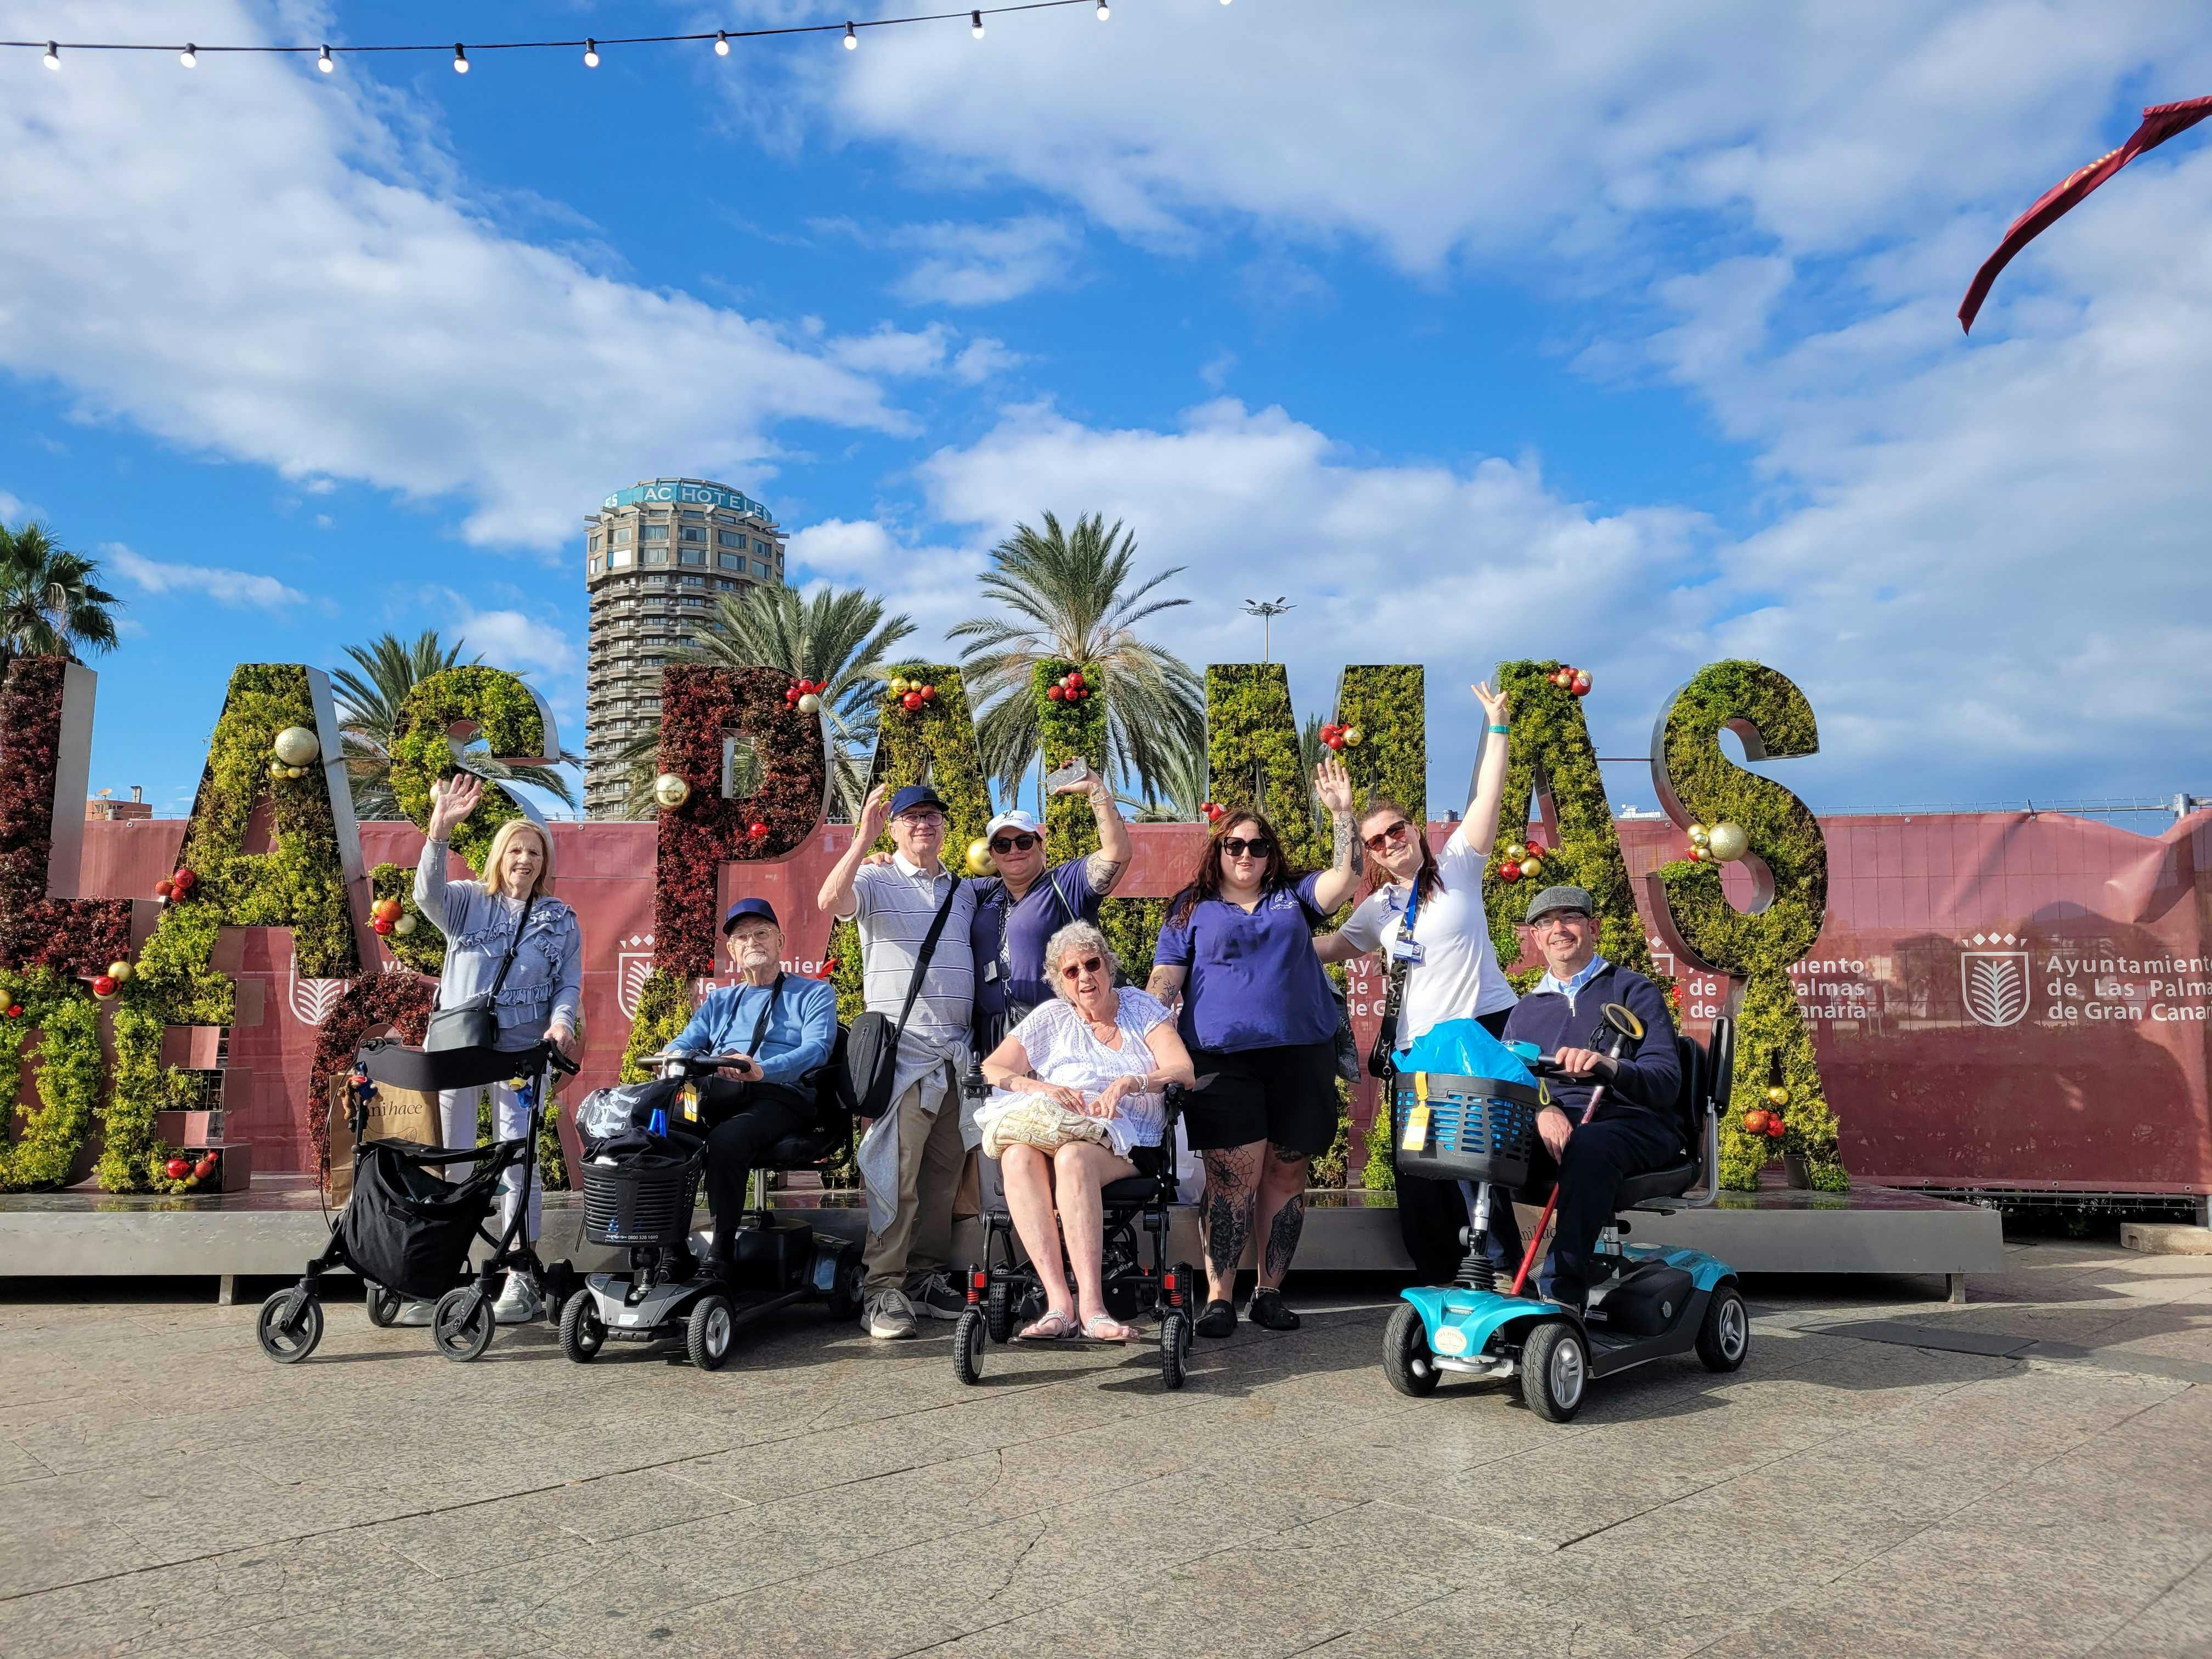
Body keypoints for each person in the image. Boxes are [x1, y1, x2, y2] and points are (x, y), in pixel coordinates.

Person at [1144, 758, 1363, 1338]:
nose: (1246, 855)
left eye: (1258, 846)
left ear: (1272, 854)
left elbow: (1345, 883)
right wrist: (1142, 1034)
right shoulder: (1190, 908)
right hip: (1221, 1061)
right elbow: (1165, 980)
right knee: (1231, 1177)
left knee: (1287, 1175)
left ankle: (1269, 1293)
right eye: (1235, 845)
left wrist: (1343, 816)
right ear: (1217, 850)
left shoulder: (1294, 896)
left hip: (1301, 1056)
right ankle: (1219, 1297)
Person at [1316, 680, 1517, 1280]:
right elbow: (1324, 948)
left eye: (1395, 830)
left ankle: (1505, 1270)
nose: (1388, 843)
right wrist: (1250, 934)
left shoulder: (1458, 866)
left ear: (1414, 828)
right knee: (1419, 1166)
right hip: (1415, 1052)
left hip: (1478, 1033)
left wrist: (1498, 726)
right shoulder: (1377, 907)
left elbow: (1488, 794)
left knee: (1481, 1160)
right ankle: (1438, 1278)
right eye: (1376, 841)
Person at [409, 775, 583, 1325]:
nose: (525, 860)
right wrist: (439, 831)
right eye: (516, 850)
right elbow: (424, 896)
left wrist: (559, 1025)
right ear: (498, 856)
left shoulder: (560, 919)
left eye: (535, 852)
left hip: (521, 1054)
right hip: (461, 1048)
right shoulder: (464, 902)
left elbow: (568, 985)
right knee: (454, 1161)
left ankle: (518, 1275)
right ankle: (446, 1274)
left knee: (519, 1161)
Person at [977, 921, 1195, 1341]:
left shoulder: (1140, 1008)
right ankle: (1060, 1304)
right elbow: (993, 1067)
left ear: (1108, 965)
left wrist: (1133, 1082)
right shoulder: (1052, 1018)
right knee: (1017, 1155)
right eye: (1071, 971)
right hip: (1058, 1133)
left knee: (1073, 1157)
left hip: (1131, 1138)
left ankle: (1094, 1309)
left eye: (1092, 964)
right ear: (1060, 982)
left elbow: (1183, 1069)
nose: (1084, 977)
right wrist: (1036, 1085)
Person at [819, 781, 979, 1340]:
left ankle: (926, 1279)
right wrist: (862, 839)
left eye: (932, 817)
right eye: (910, 818)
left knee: (942, 1180)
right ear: (894, 827)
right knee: (896, 1179)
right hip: (906, 1057)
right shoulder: (874, 877)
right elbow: (829, 902)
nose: (922, 826)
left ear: (944, 827)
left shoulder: (964, 890)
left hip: (957, 1059)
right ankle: (882, 1288)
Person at [1489, 885, 1683, 1311]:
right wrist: (1545, 1109)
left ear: (1592, 927)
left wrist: (1606, 1066)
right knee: (1477, 1138)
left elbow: (1665, 1081)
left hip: (1631, 1122)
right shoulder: (1524, 1010)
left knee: (1588, 1144)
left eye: (1570, 918)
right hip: (1557, 1123)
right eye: (1545, 923)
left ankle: (1562, 1292)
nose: (1558, 929)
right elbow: (1514, 1081)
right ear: (1536, 938)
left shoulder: (1633, 990)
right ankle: (1502, 1272)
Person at [662, 898, 839, 1279]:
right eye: (742, 937)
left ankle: (722, 1250)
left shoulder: (813, 994)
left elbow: (817, 1049)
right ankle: (670, 1248)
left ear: (781, 941)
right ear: (732, 951)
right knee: (665, 1135)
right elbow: (684, 1042)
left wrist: (764, 1070)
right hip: (720, 1095)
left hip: (781, 1095)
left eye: (761, 933)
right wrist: (675, 1055)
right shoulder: (721, 1001)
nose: (752, 942)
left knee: (728, 1140)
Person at [968, 768, 1133, 1049]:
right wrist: (885, 861)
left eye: (1024, 841)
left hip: (1059, 1031)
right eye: (1003, 845)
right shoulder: (983, 892)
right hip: (994, 1036)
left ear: (1040, 846)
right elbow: (933, 887)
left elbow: (1117, 854)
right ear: (992, 855)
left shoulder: (1064, 883)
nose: (1014, 850)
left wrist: (1096, 791)